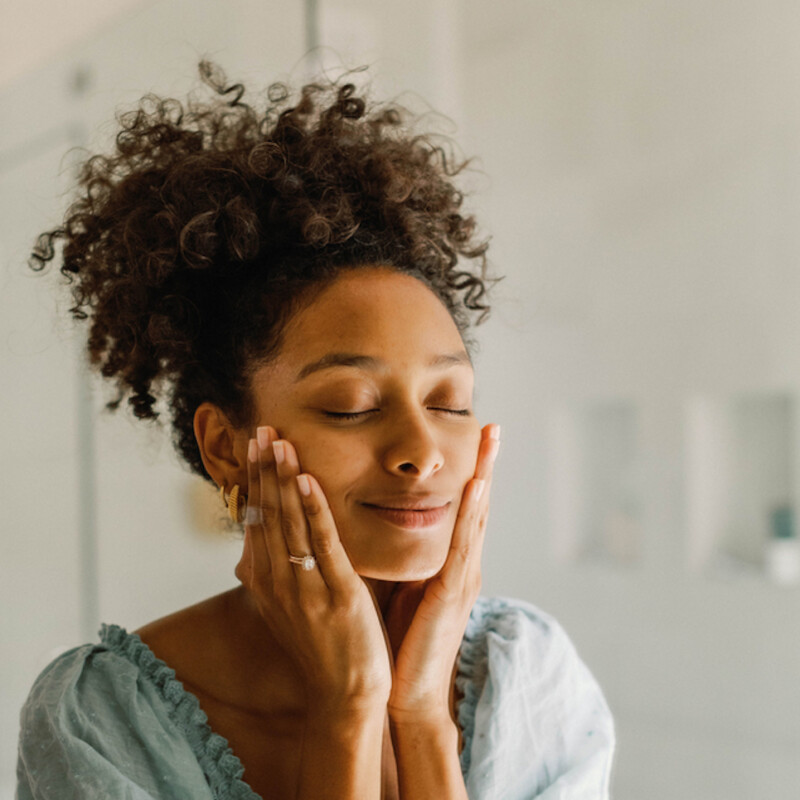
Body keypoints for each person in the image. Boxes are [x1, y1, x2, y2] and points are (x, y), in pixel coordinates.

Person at [16, 62, 615, 799]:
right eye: (351, 406)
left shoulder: (526, 674)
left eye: (450, 401)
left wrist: (421, 715)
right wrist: (348, 708)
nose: (422, 453)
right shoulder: (100, 721)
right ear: (225, 446)